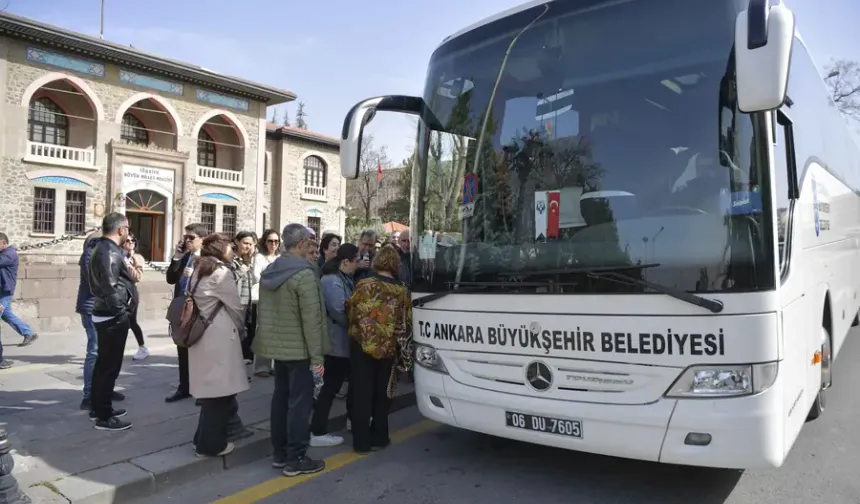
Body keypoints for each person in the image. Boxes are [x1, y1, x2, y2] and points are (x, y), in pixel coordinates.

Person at [253, 223, 329, 476]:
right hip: (300, 350)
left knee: (281, 400)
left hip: (278, 348)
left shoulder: (272, 269)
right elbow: (313, 319)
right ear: (300, 244)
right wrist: (317, 358)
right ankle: (295, 457)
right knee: (299, 404)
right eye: (309, 241)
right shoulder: (304, 274)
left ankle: (280, 453)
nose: (311, 245)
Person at [346, 246, 413, 454]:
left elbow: (350, 309)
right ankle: (380, 436)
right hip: (388, 348)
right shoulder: (401, 290)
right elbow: (406, 322)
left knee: (361, 393)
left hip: (361, 346)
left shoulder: (364, 284)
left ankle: (361, 442)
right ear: (396, 265)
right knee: (383, 393)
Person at [189, 233, 250, 457]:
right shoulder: (221, 272)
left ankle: (201, 439)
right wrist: (243, 330)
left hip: (203, 335)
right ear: (221, 250)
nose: (233, 250)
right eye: (229, 247)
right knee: (220, 394)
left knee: (211, 393)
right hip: (219, 336)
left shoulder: (198, 269)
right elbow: (235, 306)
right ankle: (211, 445)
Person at [88, 212, 137, 431]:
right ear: (121, 230)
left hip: (107, 313)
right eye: (127, 227)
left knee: (104, 365)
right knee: (109, 367)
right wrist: (121, 311)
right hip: (111, 316)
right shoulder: (107, 250)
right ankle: (104, 416)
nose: (128, 231)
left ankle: (99, 407)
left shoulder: (105, 248)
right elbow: (108, 286)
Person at [310, 243, 359, 447]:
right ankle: (317, 430)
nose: (358, 265)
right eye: (355, 261)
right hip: (336, 343)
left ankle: (351, 420)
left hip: (343, 343)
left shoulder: (343, 278)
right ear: (345, 262)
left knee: (344, 385)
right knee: (330, 387)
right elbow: (340, 312)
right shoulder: (331, 281)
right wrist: (359, 324)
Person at [77, 233, 125, 408]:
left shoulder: (104, 252)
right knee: (95, 351)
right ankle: (89, 394)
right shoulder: (93, 253)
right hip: (92, 308)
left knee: (106, 352)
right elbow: (100, 281)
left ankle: (105, 389)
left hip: (103, 308)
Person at [165, 223, 207, 403]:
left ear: (202, 240)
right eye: (186, 237)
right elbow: (170, 278)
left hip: (198, 309)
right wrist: (176, 257)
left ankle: (202, 389)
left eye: (192, 238)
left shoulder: (207, 259)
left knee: (200, 350)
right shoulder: (184, 256)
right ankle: (184, 387)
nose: (187, 241)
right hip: (182, 308)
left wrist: (195, 275)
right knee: (182, 347)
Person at [0, 232, 38, 369]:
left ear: (3, 243)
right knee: (6, 314)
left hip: (4, 292)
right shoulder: (5, 253)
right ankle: (28, 333)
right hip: (2, 291)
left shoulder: (9, 254)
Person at [251, 228, 280, 378]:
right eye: (270, 241)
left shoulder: (280, 257)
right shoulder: (260, 258)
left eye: (276, 241)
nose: (273, 244)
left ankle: (273, 364)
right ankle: (261, 366)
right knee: (263, 331)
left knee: (276, 332)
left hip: (278, 299)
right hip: (263, 298)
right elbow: (257, 276)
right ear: (265, 242)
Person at [123, 233, 149, 361]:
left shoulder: (137, 258)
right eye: (127, 240)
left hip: (130, 293)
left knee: (130, 321)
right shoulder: (117, 255)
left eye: (132, 240)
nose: (130, 242)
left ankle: (142, 348)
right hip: (118, 292)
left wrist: (128, 264)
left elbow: (138, 277)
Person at [233, 231, 257, 367]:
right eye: (245, 243)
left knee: (246, 332)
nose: (247, 246)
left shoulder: (247, 259)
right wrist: (240, 271)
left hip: (248, 301)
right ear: (237, 242)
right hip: (238, 302)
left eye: (250, 244)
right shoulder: (232, 259)